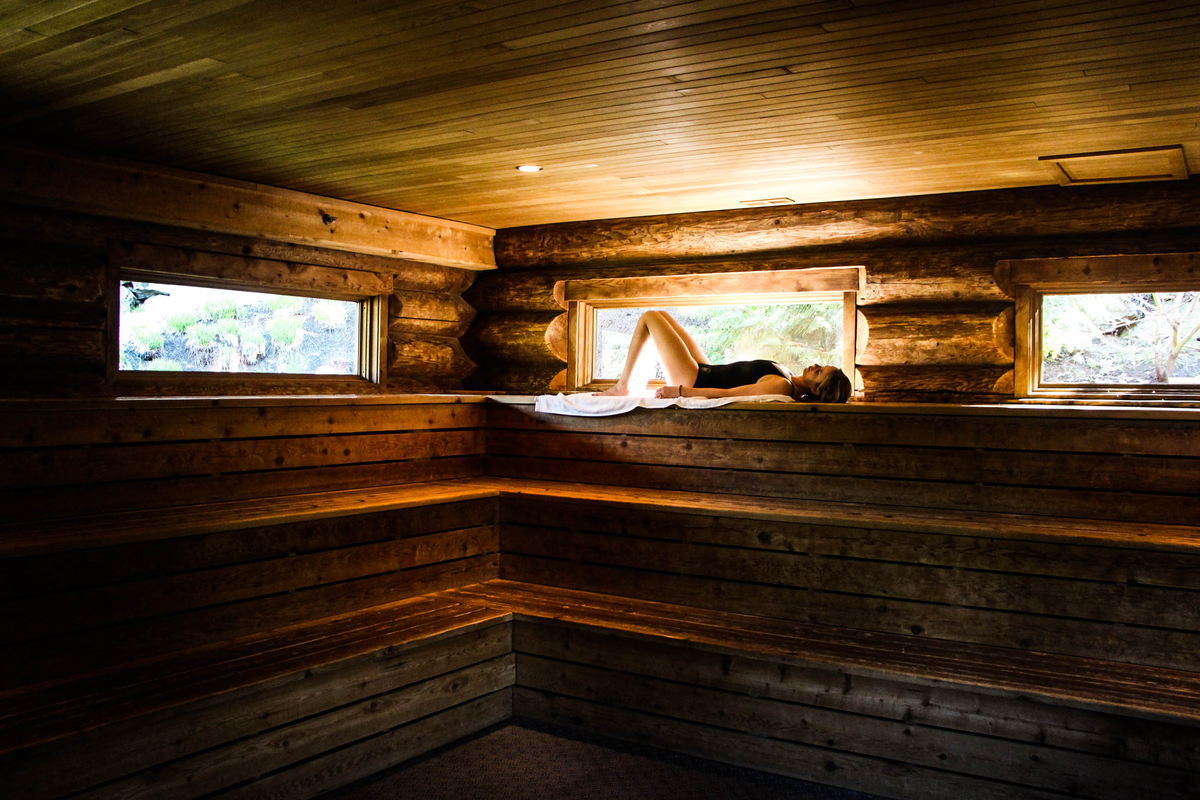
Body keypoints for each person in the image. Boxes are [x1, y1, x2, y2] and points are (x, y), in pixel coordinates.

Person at [596, 310, 852, 402]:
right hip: (707, 368)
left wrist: (680, 391)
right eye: (821, 365)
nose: (815, 365)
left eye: (819, 371)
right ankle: (630, 383)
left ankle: (623, 387)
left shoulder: (782, 386)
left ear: (817, 391)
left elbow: (729, 394)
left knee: (649, 317)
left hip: (696, 379)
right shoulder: (786, 374)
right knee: (662, 315)